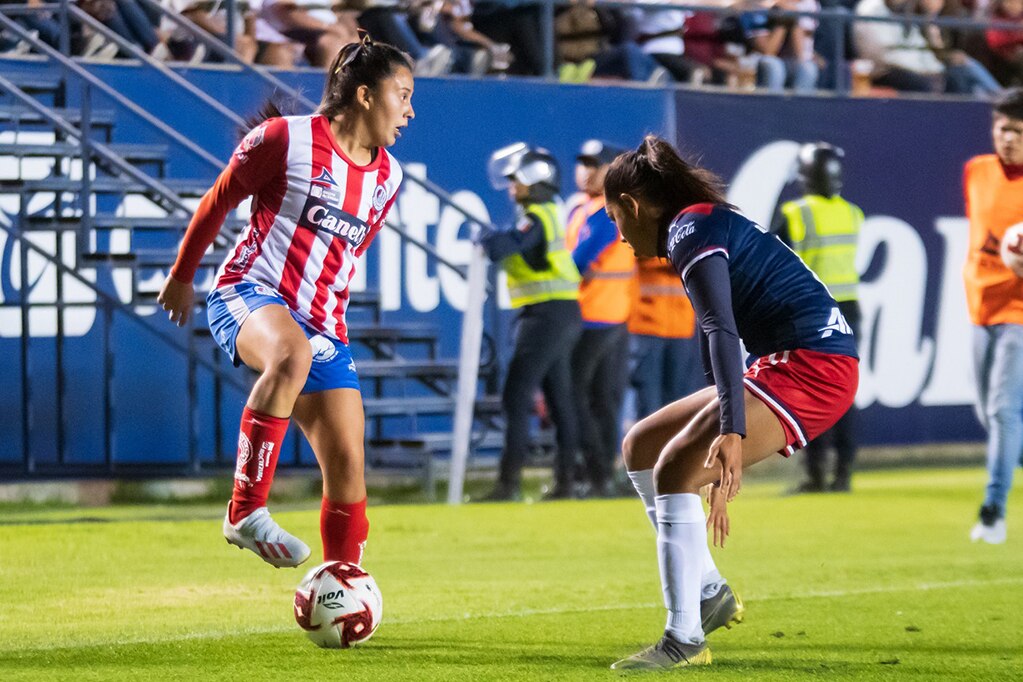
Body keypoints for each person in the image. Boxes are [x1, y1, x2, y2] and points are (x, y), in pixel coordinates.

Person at [157, 34, 413, 568]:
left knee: (347, 461)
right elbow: (219, 198)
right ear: (365, 95)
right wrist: (183, 274)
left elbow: (346, 258)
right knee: (290, 355)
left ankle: (346, 584)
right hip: (248, 292)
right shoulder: (284, 139)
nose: (410, 112)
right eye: (404, 94)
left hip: (322, 324)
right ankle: (244, 511)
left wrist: (334, 334)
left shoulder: (389, 177)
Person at [603, 136, 858, 670]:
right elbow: (714, 327)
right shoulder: (692, 226)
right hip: (783, 361)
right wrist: (720, 418)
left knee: (674, 468)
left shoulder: (689, 229)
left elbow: (721, 328)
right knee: (642, 444)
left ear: (631, 204)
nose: (619, 236)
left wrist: (731, 432)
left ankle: (685, 638)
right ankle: (711, 591)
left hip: (815, 368)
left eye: (614, 219)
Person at [479, 144, 582, 500]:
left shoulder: (537, 214)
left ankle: (508, 485)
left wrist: (488, 238)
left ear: (534, 181)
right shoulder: (548, 210)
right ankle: (565, 484)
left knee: (516, 395)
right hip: (561, 311)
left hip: (546, 314)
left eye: (516, 180)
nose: (511, 187)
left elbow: (506, 247)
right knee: (559, 399)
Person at [774, 143, 863, 493]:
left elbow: (773, 262)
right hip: (850, 309)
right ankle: (844, 472)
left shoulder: (796, 213)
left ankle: (815, 473)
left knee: (812, 392)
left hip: (814, 310)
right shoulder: (853, 213)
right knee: (844, 392)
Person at [963, 88, 1023, 544]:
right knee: (989, 411)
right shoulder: (977, 172)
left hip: (1018, 312)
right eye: (1003, 129)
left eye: (1018, 133)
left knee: (1004, 411)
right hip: (978, 306)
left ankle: (992, 511)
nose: (1009, 139)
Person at [565, 140, 634, 498]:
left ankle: (597, 470)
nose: (586, 170)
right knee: (602, 399)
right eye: (583, 163)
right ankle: (601, 472)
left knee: (581, 396)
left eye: (596, 164)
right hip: (603, 316)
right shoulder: (585, 208)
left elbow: (577, 261)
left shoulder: (608, 214)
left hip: (597, 318)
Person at [629, 257, 704, 421]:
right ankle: (647, 445)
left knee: (678, 398)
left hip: (680, 326)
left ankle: (675, 444)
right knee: (648, 395)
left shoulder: (684, 234)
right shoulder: (643, 233)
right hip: (647, 323)